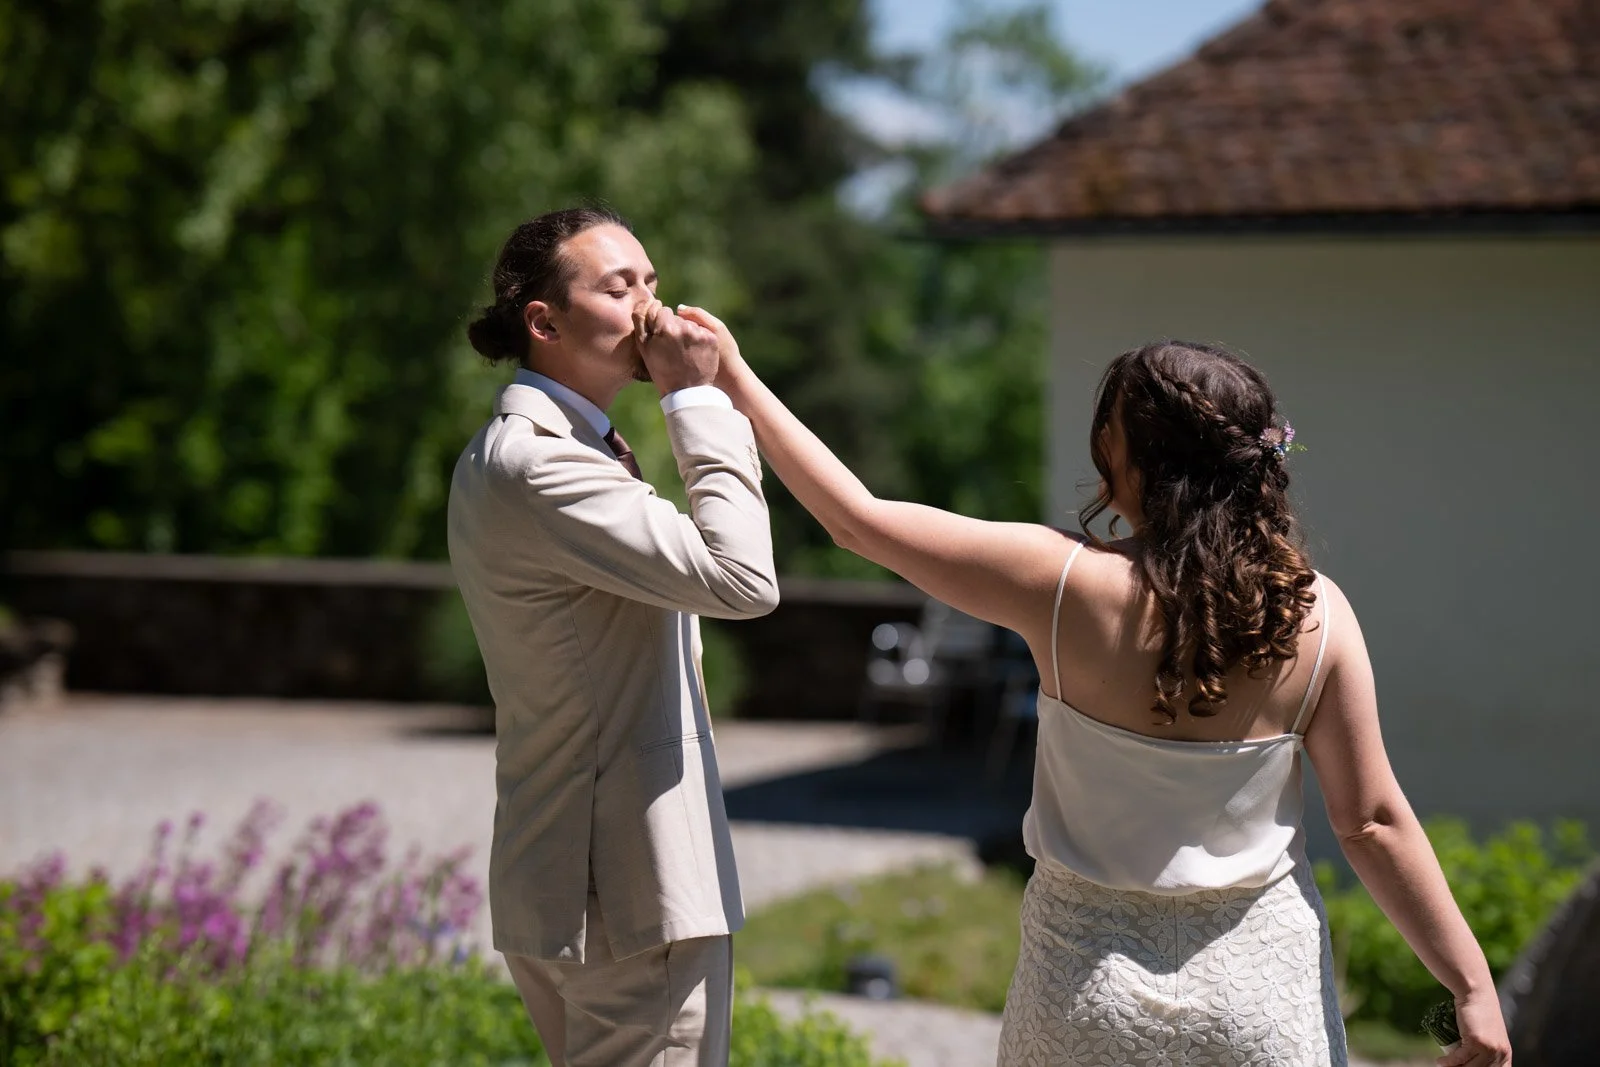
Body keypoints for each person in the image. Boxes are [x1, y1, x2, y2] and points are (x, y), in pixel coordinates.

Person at [675, 310, 1511, 1067]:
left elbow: (856, 519)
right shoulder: (1317, 613)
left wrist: (733, 376)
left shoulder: (1063, 584)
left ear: (1136, 458)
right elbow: (1370, 821)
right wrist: (1470, 985)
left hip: (1085, 990)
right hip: (1261, 993)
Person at [447, 207, 778, 1067]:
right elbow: (742, 580)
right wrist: (694, 398)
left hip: (579, 886)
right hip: (628, 899)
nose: (649, 307)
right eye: (617, 286)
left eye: (651, 282)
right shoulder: (540, 463)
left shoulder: (522, 451)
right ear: (544, 322)